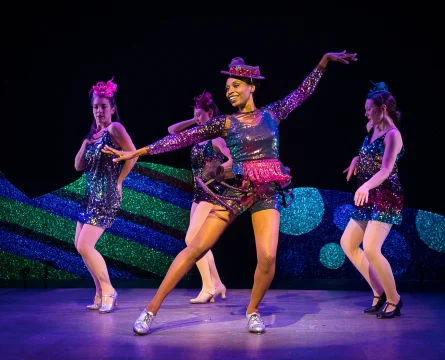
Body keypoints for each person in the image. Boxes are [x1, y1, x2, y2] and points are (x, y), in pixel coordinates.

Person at [102, 50, 357, 334]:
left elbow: (302, 92)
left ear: (251, 86)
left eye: (235, 85)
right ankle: (150, 310)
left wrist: (322, 62)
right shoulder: (225, 123)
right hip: (235, 191)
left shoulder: (273, 113)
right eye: (227, 88)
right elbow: (182, 137)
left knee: (268, 257)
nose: (230, 91)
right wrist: (140, 151)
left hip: (266, 190)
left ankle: (253, 310)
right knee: (196, 248)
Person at [340, 81, 404, 319]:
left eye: (369, 109)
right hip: (368, 194)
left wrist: (366, 185)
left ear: (383, 109)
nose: (366, 113)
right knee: (348, 243)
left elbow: (386, 168)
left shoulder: (393, 135)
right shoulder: (372, 128)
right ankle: (378, 292)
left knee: (372, 248)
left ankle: (394, 299)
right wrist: (357, 159)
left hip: (386, 195)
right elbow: (370, 152)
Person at [74, 78, 136, 313]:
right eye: (95, 107)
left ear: (111, 109)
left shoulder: (114, 129)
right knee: (79, 246)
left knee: (86, 245)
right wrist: (85, 143)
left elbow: (133, 154)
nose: (99, 111)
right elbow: (78, 166)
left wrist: (120, 181)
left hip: (106, 195)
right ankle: (99, 292)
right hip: (89, 196)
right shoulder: (95, 135)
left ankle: (109, 290)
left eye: (103, 106)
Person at [167, 90, 231, 304]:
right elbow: (171, 130)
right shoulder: (197, 138)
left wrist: (220, 169)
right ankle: (218, 283)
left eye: (200, 114)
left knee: (192, 240)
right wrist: (194, 120)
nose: (197, 119)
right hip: (198, 193)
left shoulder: (216, 139)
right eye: (195, 114)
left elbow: (232, 160)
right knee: (200, 241)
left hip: (212, 194)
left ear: (210, 113)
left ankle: (208, 287)